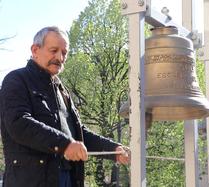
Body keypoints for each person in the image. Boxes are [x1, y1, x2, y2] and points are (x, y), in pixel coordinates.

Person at [0, 26, 129, 187]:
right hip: (31, 180)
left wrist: (113, 149)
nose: (60, 57)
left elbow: (78, 134)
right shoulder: (16, 80)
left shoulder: (61, 89)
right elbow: (19, 124)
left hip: (68, 177)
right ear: (35, 50)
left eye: (64, 53)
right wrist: (64, 144)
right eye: (54, 50)